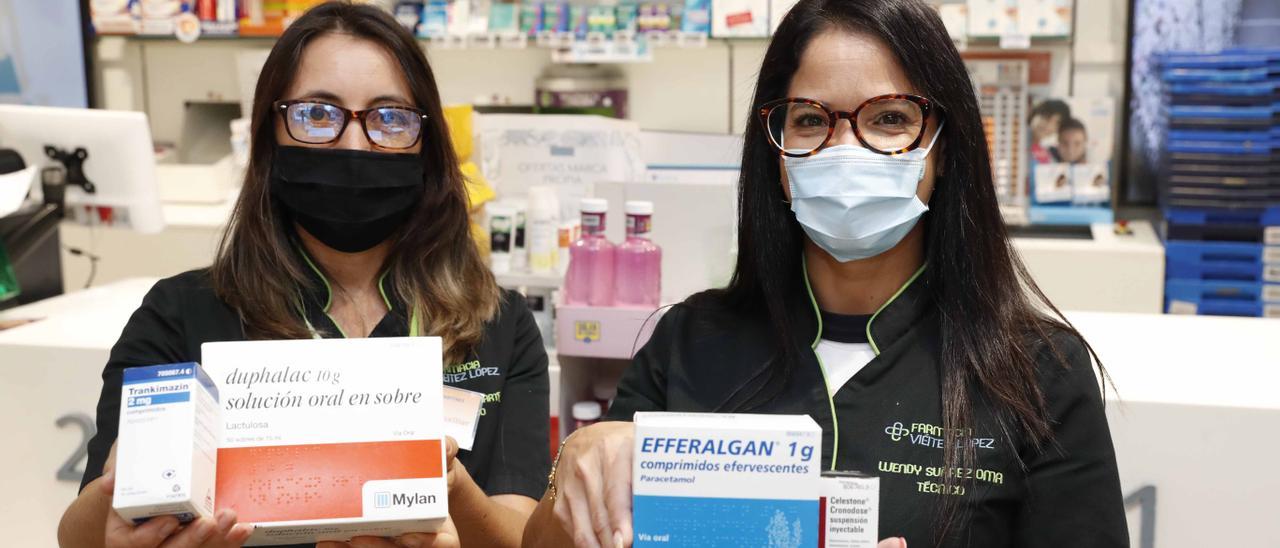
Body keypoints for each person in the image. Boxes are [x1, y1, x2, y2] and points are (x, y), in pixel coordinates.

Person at [521, 0, 1127, 547]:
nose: (844, 149)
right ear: (777, 152)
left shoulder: (1040, 375)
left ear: (944, 147)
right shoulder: (689, 342)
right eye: (810, 120)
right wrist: (578, 458)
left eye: (890, 118)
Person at [57, 3, 549, 548]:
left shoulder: (497, 321)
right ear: (270, 133)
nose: (355, 144)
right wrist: (116, 492)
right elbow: (78, 533)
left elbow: (523, 534)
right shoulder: (181, 313)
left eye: (389, 118)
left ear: (426, 144)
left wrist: (447, 484)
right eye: (318, 114)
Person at [1029, 99, 1071, 164]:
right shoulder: (1013, 141)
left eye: (1056, 123)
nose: (1049, 126)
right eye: (1046, 117)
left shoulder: (1050, 155)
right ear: (1034, 114)